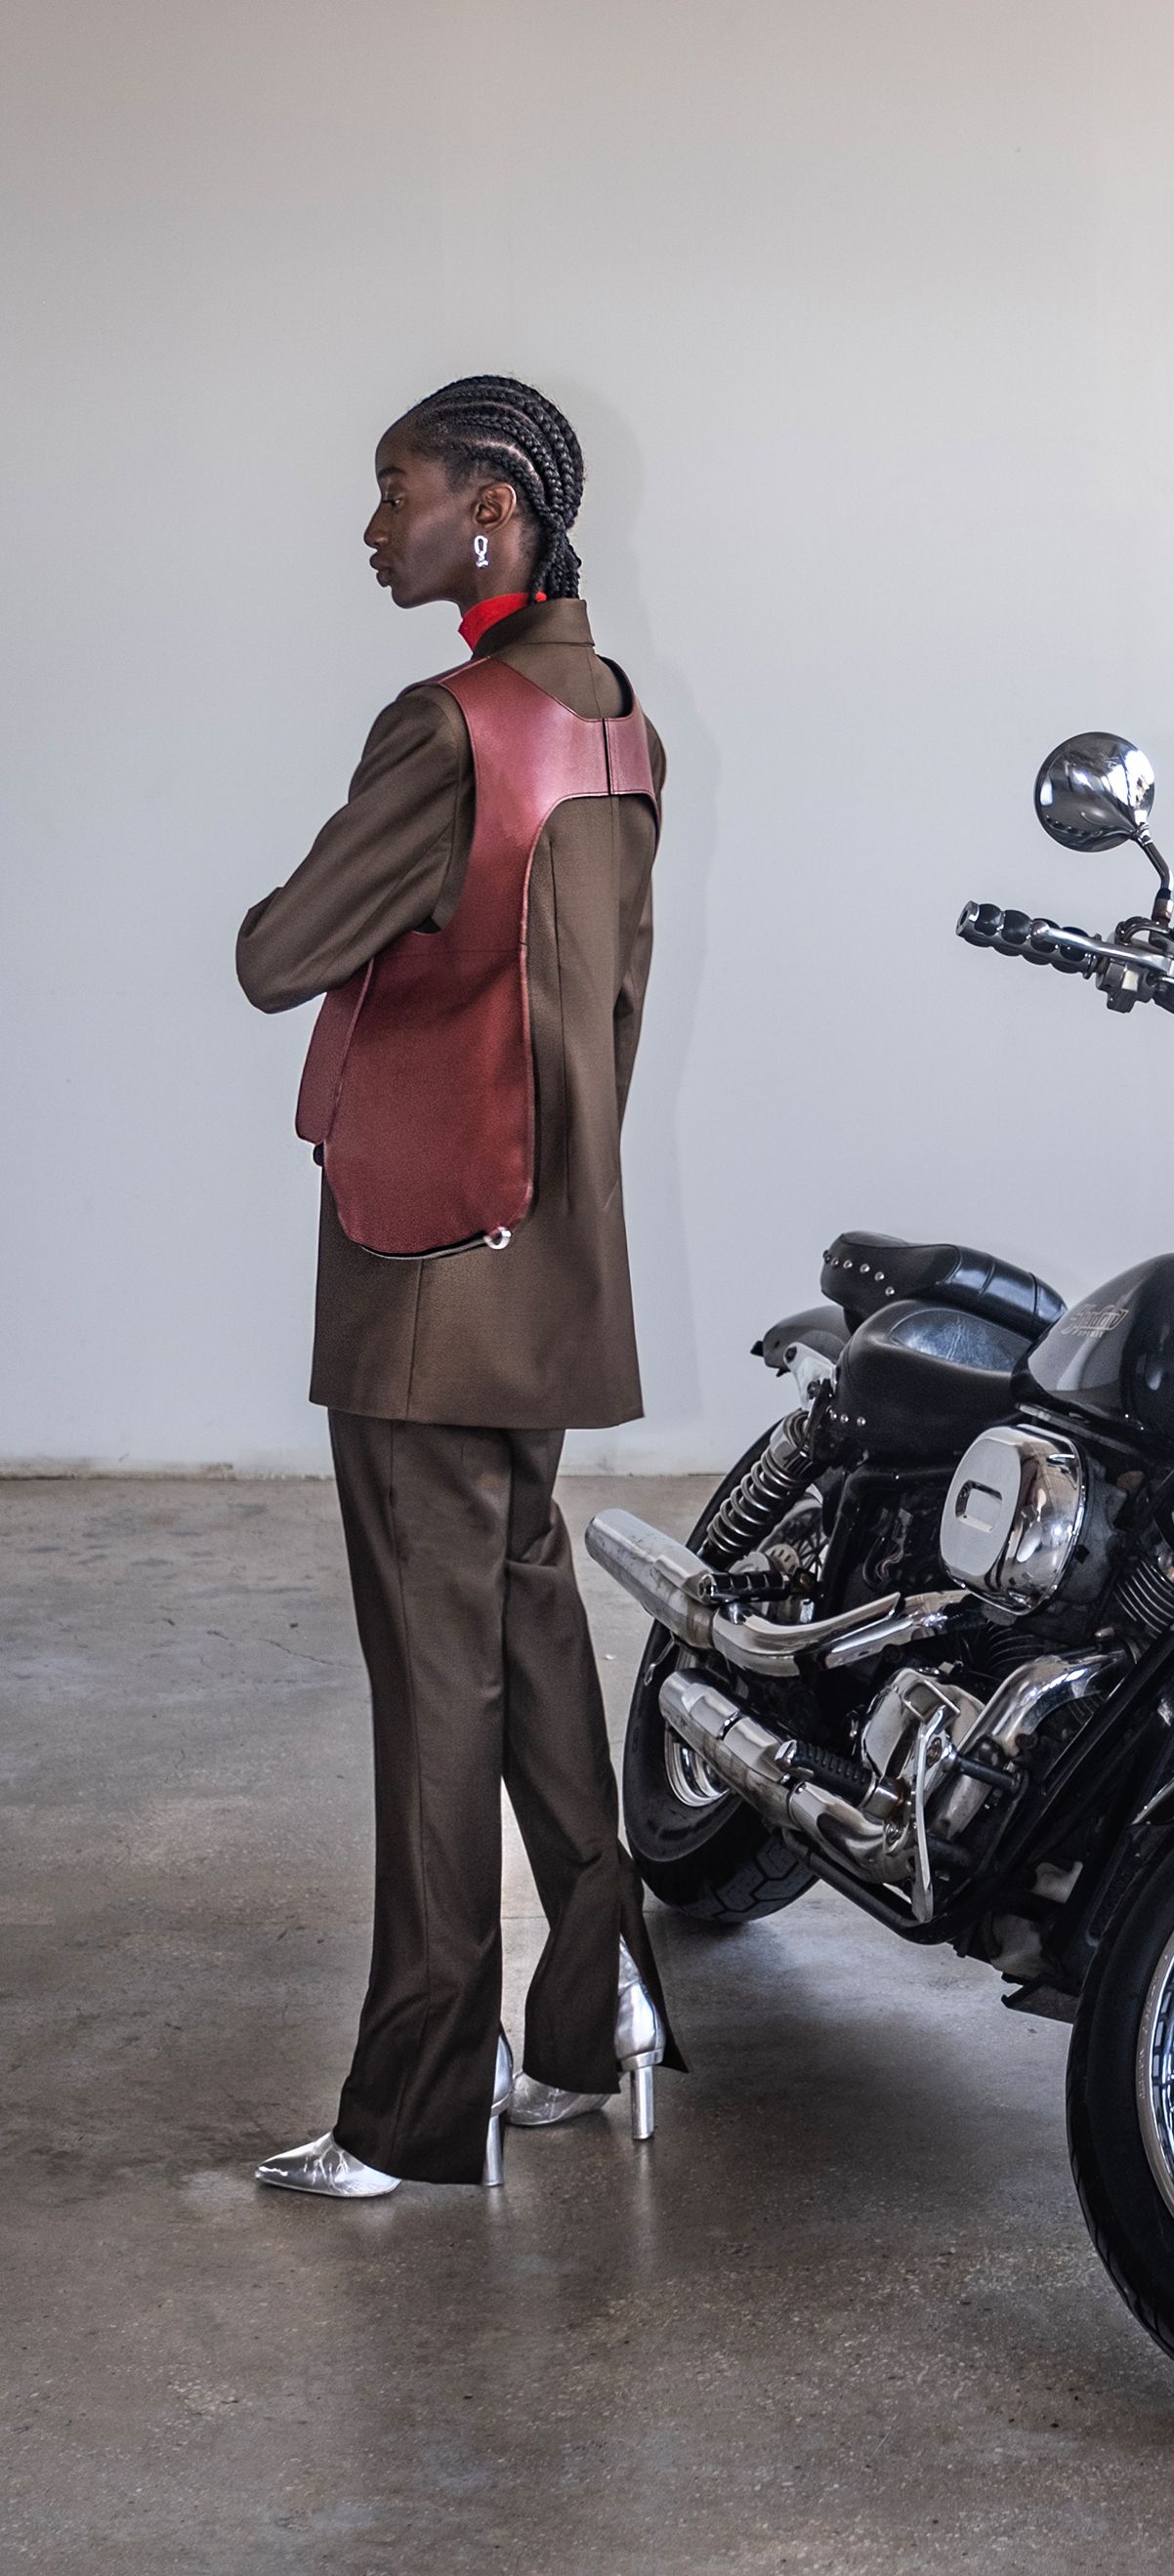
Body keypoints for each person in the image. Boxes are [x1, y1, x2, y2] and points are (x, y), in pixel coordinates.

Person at [236, 373, 680, 2199]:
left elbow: (275, 955)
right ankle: (598, 2023)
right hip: (554, 1256)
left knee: (435, 1694)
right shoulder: (626, 728)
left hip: (423, 1269)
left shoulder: (447, 727)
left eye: (393, 488)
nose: (371, 524)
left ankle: (416, 2113)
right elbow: (609, 1006)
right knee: (528, 1640)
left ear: (491, 507)